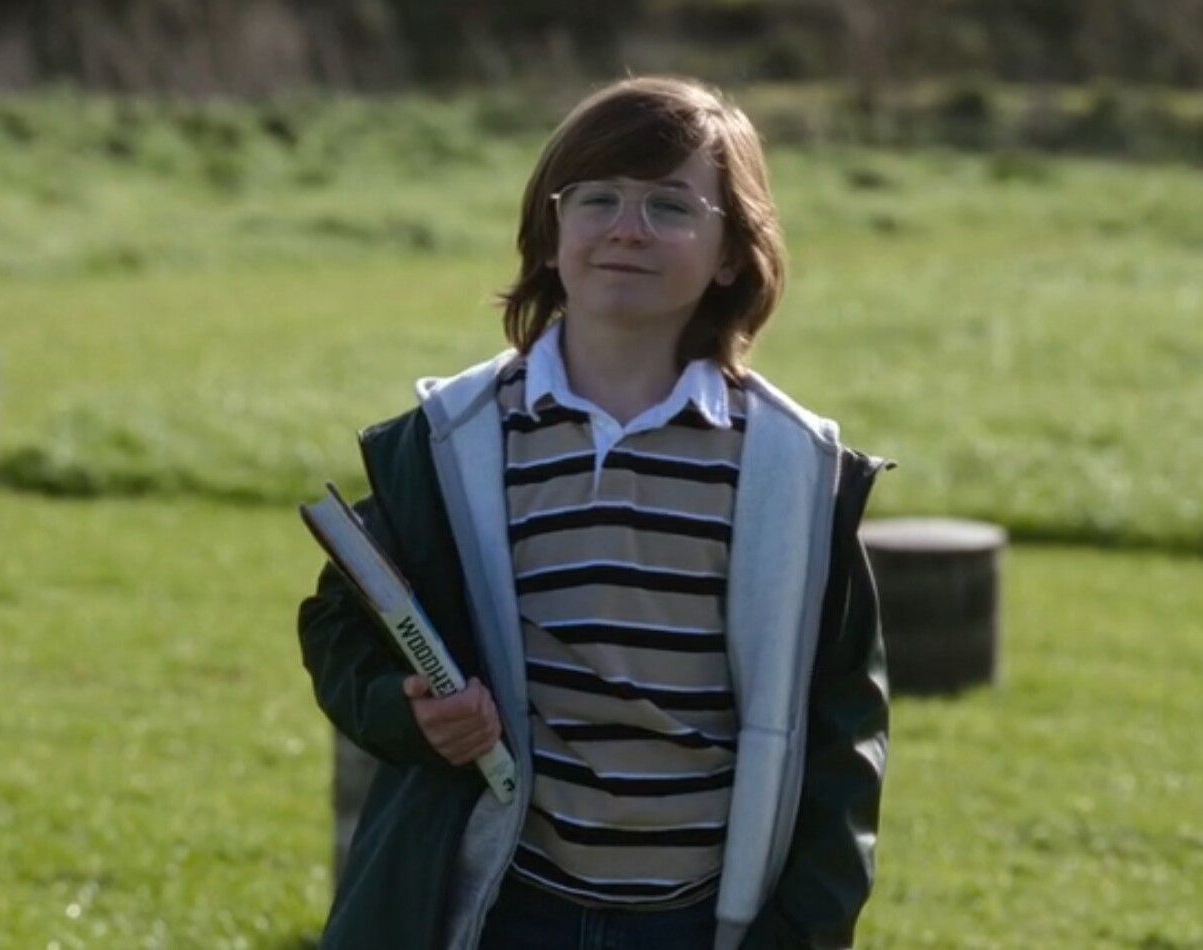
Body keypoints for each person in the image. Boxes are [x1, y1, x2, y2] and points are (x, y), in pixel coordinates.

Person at [298, 75, 894, 950]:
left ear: (732, 253)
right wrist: (406, 711)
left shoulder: (791, 470)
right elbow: (341, 629)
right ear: (551, 232)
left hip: (700, 918)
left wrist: (801, 927)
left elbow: (846, 728)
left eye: (671, 207)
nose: (626, 228)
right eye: (598, 198)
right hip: (501, 902)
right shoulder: (451, 440)